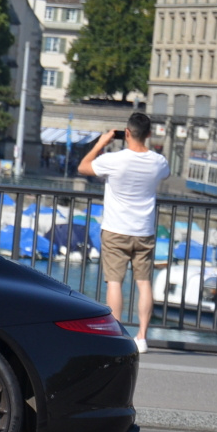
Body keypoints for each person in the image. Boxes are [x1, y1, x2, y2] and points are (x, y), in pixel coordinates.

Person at [79, 112, 170, 353]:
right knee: (144, 283)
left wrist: (101, 143)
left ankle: (117, 335)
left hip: (115, 229)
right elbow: (166, 172)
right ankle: (142, 336)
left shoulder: (113, 160)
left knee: (115, 283)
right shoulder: (158, 162)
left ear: (126, 133)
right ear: (149, 134)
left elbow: (83, 167)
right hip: (144, 230)